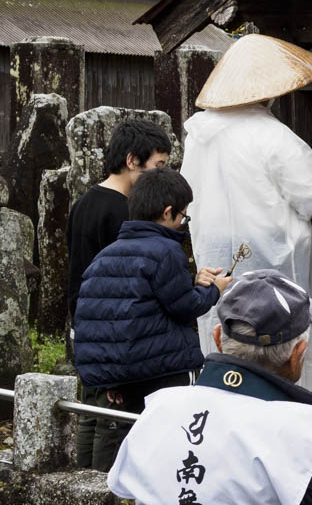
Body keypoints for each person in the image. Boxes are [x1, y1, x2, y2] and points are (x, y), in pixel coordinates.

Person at [108, 269, 312, 505]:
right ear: (298, 354)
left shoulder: (158, 408)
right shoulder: (308, 435)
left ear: (218, 340)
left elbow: (124, 488)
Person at [181, 34, 312, 390]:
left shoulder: (198, 137)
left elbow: (188, 194)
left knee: (229, 331)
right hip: (274, 254)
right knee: (284, 333)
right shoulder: (272, 135)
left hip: (218, 254)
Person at [72, 168, 230, 470]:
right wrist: (215, 291)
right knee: (168, 440)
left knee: (119, 432)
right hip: (159, 368)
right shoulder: (165, 250)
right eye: (184, 216)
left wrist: (195, 282)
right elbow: (183, 307)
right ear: (168, 212)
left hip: (114, 369)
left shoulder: (107, 255)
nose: (184, 223)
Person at [66, 118, 172, 467]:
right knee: (115, 416)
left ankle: (80, 484)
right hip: (115, 327)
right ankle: (105, 489)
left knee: (92, 412)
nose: (160, 175)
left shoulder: (83, 203)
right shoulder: (124, 212)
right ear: (132, 160)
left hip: (84, 321)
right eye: (158, 166)